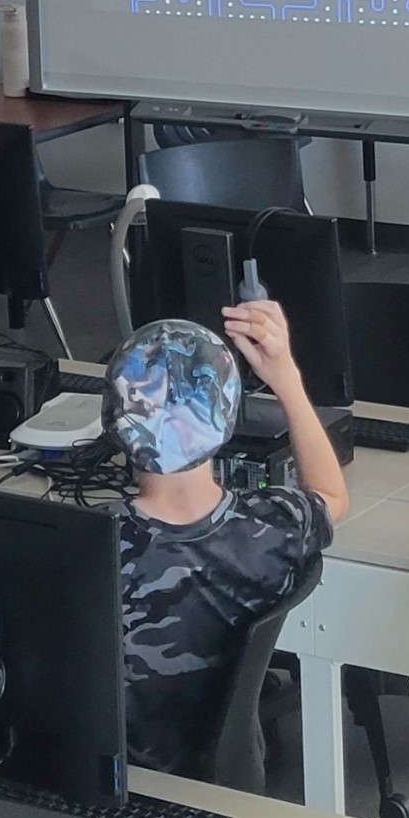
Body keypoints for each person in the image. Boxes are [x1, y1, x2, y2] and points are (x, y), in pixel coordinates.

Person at [108, 304, 352, 776]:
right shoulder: (271, 528)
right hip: (230, 782)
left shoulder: (94, 546)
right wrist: (287, 381)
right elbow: (330, 494)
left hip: (120, 791)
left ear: (115, 421)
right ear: (228, 417)